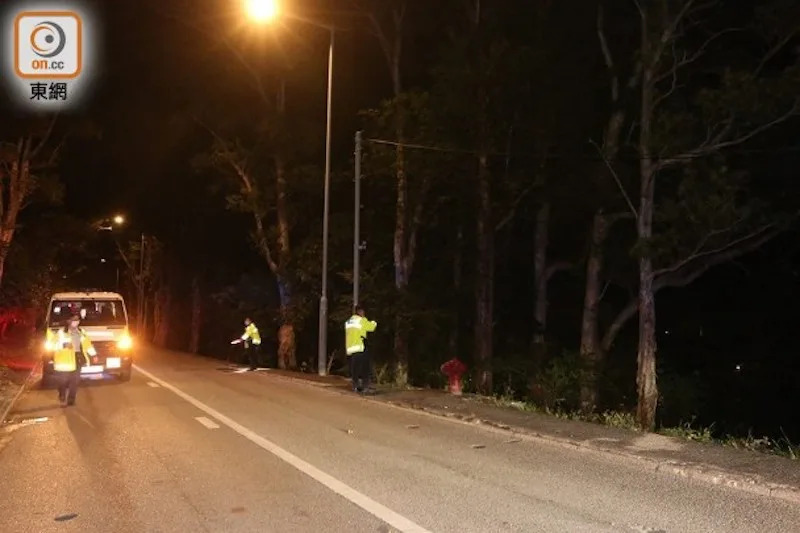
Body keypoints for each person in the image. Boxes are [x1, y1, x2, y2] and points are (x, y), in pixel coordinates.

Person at [53, 314, 95, 407]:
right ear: (68, 321)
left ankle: (71, 400)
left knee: (75, 381)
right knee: (63, 381)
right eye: (74, 320)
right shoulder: (61, 333)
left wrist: (94, 354)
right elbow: (53, 345)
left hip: (78, 358)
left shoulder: (82, 332)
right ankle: (62, 394)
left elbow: (88, 344)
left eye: (78, 320)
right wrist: (63, 346)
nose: (76, 322)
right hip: (65, 360)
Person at [344, 306, 377, 393]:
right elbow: (371, 327)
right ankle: (365, 387)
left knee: (355, 369)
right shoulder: (361, 320)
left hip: (351, 349)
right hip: (360, 347)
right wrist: (374, 322)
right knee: (365, 368)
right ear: (361, 312)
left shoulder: (348, 322)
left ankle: (355, 386)